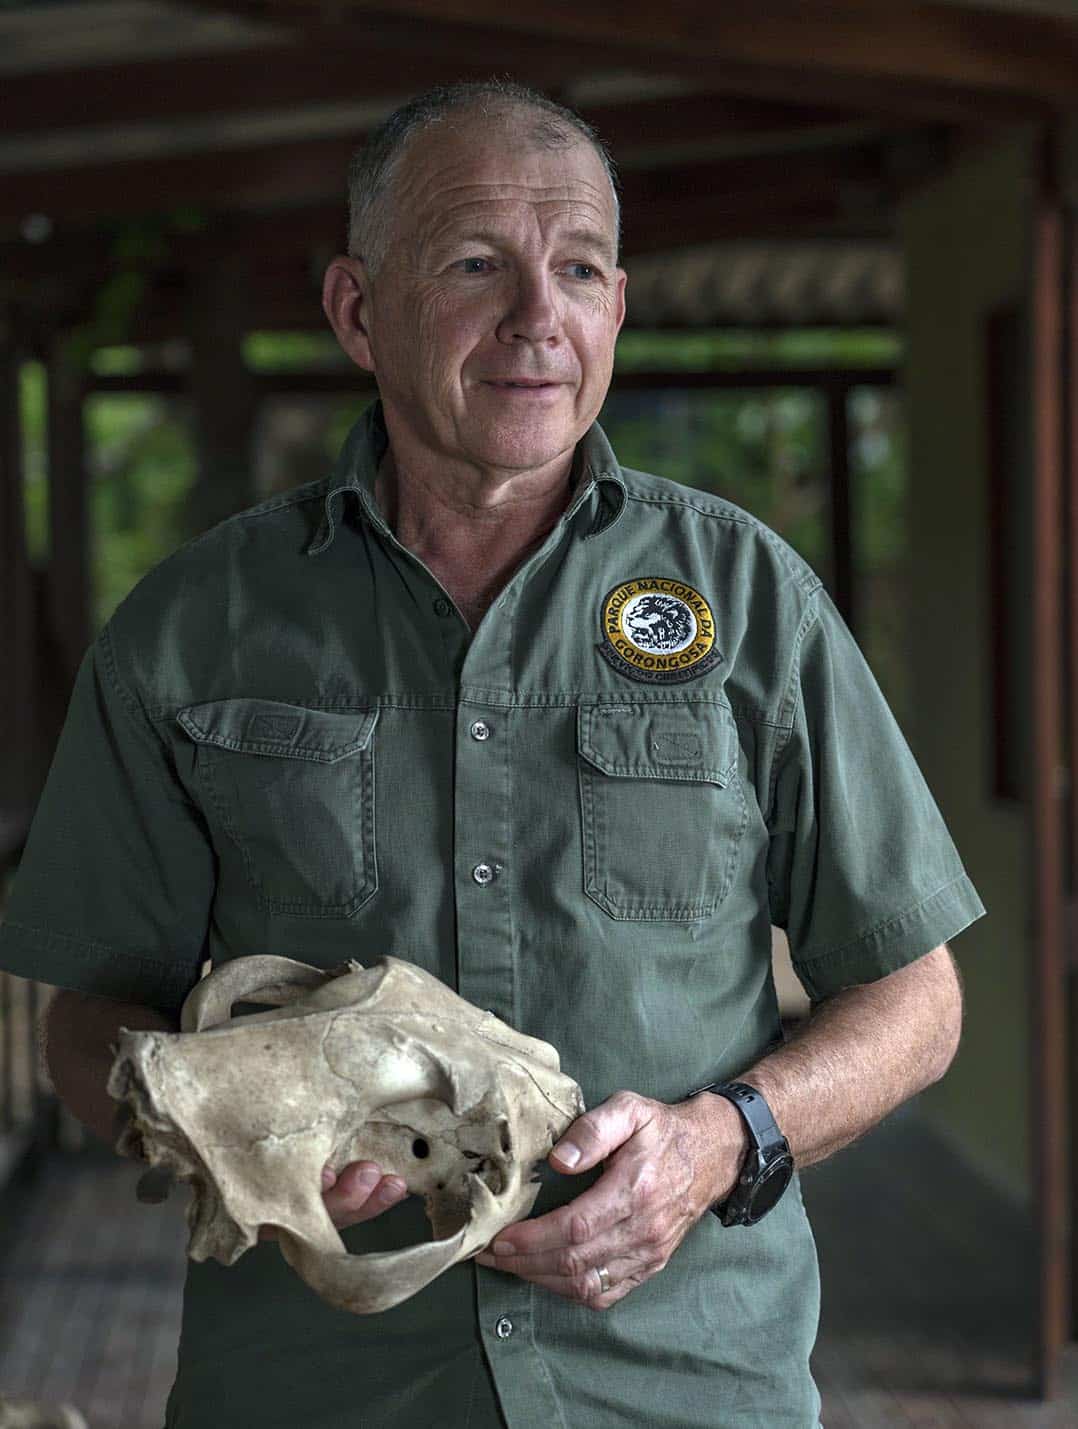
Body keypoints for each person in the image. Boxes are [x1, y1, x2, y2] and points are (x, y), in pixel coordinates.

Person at [0, 79, 985, 1429]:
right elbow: (83, 1021)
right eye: (476, 264)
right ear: (357, 310)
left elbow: (916, 1002)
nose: (538, 317)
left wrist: (717, 1143)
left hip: (683, 1382)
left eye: (577, 267)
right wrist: (238, 1128)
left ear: (617, 310)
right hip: (316, 1389)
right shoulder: (195, 627)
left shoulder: (747, 598)